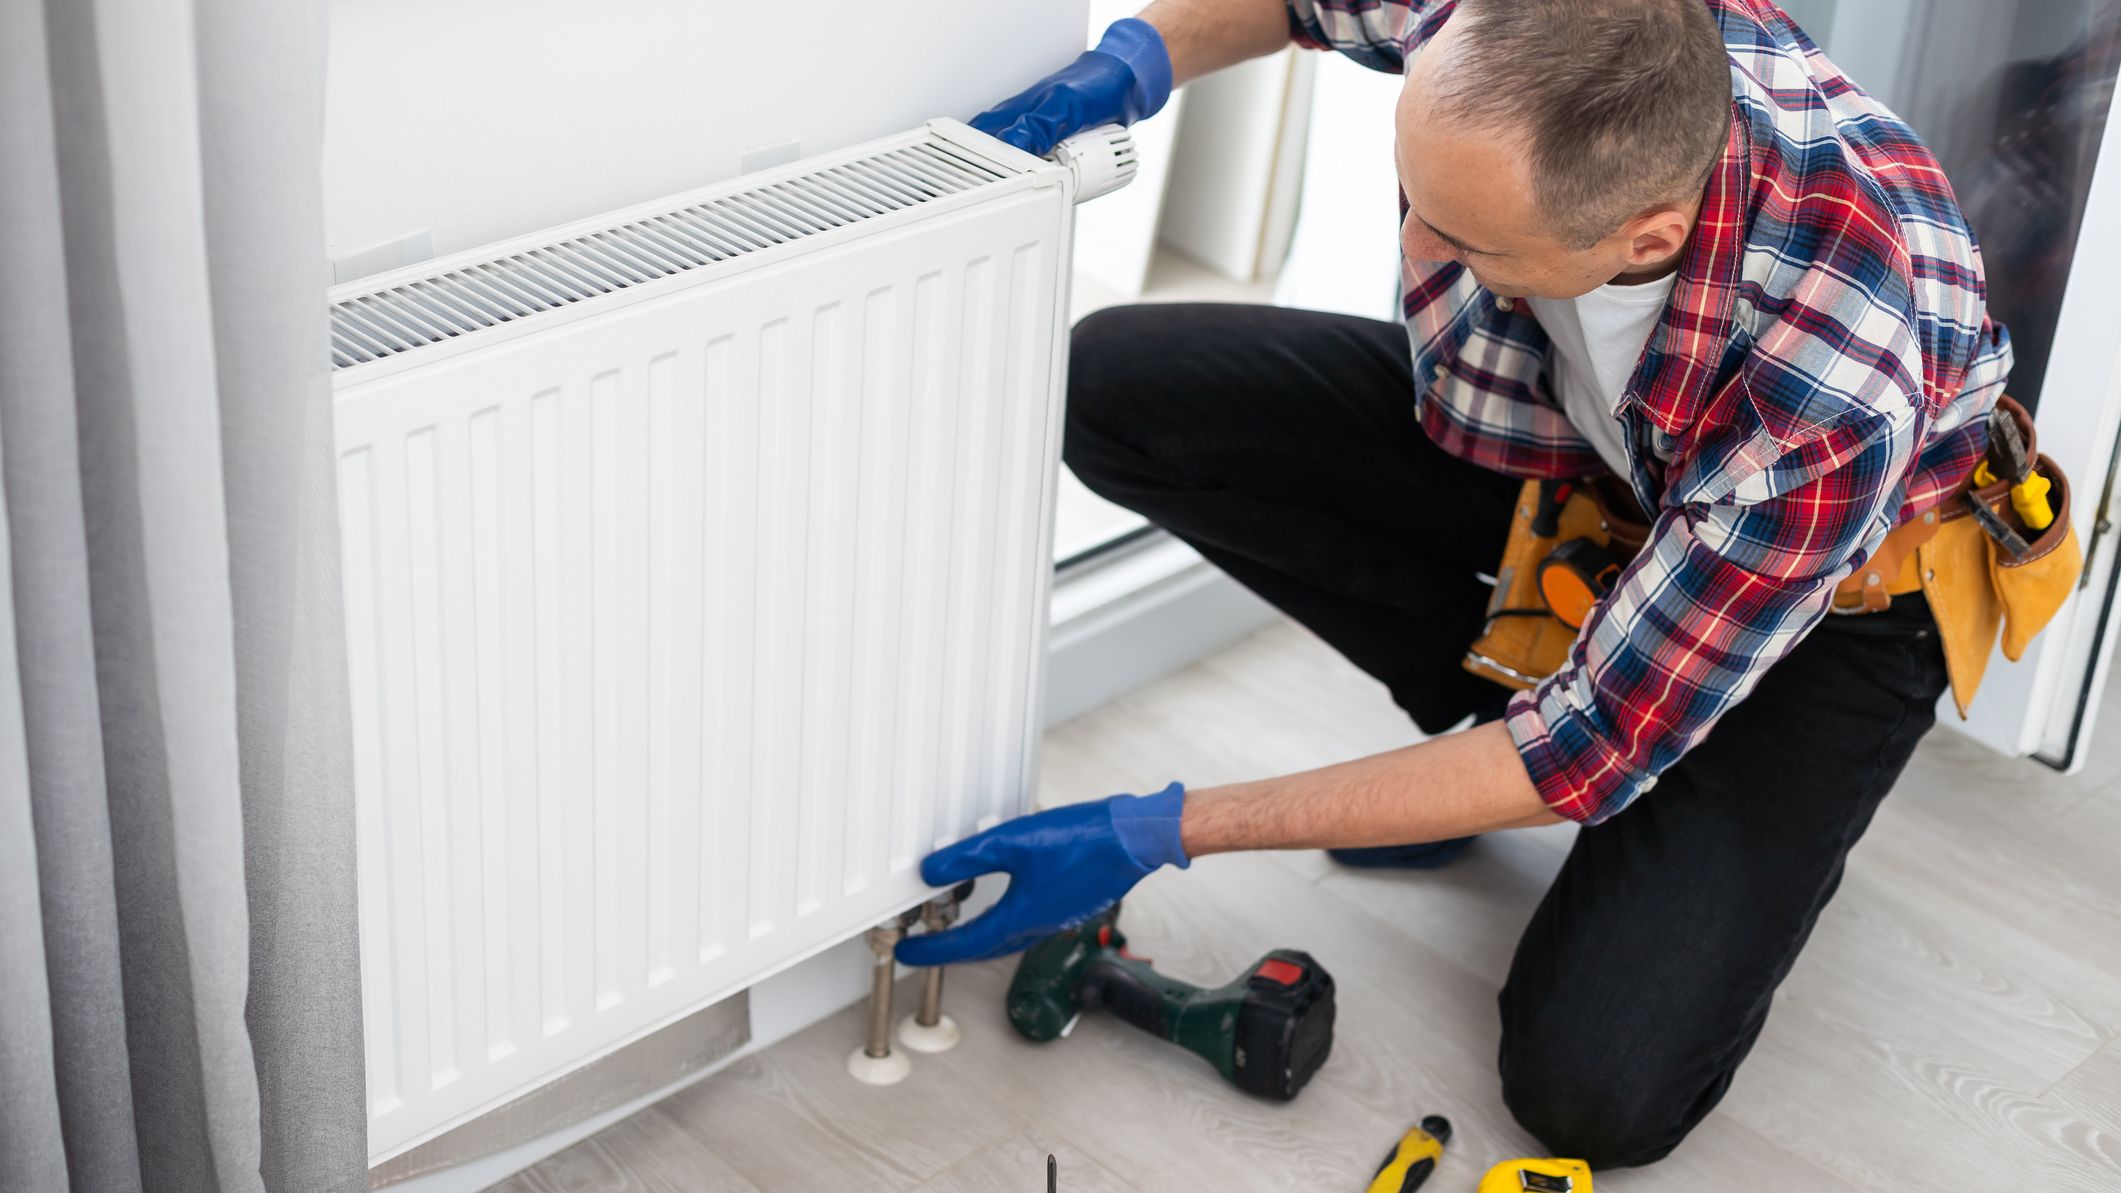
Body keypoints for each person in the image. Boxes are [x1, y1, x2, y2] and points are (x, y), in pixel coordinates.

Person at [897, 0, 2011, 1168]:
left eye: (1470, 240)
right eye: (1413, 196)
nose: (1418, 251)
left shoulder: (1831, 384)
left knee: (1591, 1091)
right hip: (1575, 457)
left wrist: (1164, 827)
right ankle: (1474, 742)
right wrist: (1129, 66)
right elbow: (1296, 5)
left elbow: (1583, 751)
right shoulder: (1531, 25)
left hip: (1824, 602)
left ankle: (1535, 774)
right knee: (1117, 391)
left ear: (1643, 238)